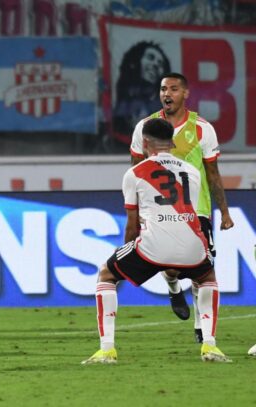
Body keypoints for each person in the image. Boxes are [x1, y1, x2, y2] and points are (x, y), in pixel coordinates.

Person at [84, 118, 230, 364]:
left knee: (106, 275)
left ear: (145, 142)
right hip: (192, 245)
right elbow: (189, 213)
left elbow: (132, 224)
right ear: (172, 142)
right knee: (207, 278)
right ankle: (210, 346)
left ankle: (107, 350)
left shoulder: (134, 173)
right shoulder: (193, 172)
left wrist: (127, 249)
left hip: (153, 247)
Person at [129, 72, 233, 343]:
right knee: (171, 265)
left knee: (203, 269)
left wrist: (224, 211)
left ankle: (200, 327)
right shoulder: (145, 127)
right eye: (164, 89)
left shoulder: (202, 128)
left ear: (185, 94)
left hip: (197, 209)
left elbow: (212, 172)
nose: (167, 94)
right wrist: (138, 209)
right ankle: (173, 287)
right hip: (161, 209)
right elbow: (137, 169)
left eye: (174, 89)